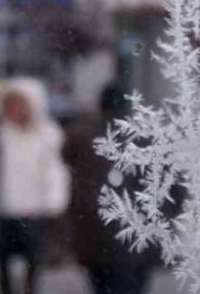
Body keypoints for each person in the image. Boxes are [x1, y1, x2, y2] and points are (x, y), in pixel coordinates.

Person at [63, 83, 160, 294]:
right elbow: (174, 188)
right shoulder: (147, 139)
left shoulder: (82, 137)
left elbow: (68, 166)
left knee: (102, 286)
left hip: (93, 233)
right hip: (138, 234)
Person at [0, 78, 70, 294]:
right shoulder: (1, 134)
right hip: (5, 208)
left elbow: (55, 171)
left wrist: (54, 203)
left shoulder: (48, 133)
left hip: (35, 210)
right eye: (9, 104)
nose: (13, 109)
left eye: (19, 103)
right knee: (3, 259)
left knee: (32, 259)